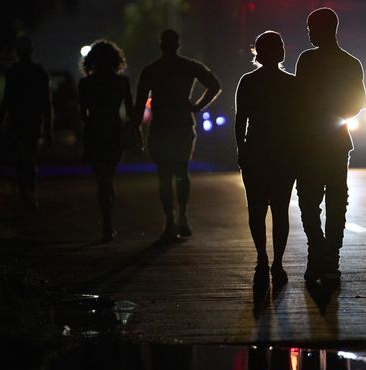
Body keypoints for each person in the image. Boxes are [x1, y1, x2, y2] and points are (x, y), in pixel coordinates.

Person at [294, 8, 366, 284]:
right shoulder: (351, 63)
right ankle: (331, 255)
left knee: (308, 198)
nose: (309, 34)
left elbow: (299, 99)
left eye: (311, 28)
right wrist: (336, 112)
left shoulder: (307, 60)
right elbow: (358, 104)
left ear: (322, 29)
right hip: (337, 140)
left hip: (309, 141)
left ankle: (317, 249)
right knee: (337, 198)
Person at [133, 29, 221, 242]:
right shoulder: (189, 66)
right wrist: (197, 106)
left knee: (164, 175)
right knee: (181, 170)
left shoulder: (151, 70)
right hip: (183, 125)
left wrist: (135, 129)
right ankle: (182, 217)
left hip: (161, 127)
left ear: (161, 45)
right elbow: (214, 85)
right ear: (178, 44)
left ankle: (170, 220)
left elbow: (139, 103)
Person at [235, 31, 296, 288]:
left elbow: (241, 120)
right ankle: (277, 263)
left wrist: (241, 150)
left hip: (256, 151)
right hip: (283, 154)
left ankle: (262, 258)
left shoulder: (248, 81)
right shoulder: (292, 83)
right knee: (280, 210)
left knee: (257, 209)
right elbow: (299, 123)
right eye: (279, 45)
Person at [78, 40, 135, 242]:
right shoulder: (122, 82)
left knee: (101, 179)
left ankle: (107, 222)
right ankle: (108, 220)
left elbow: (82, 114)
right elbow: (130, 111)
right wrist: (133, 132)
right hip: (114, 132)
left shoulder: (86, 84)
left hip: (94, 132)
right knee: (108, 176)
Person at [0, 35, 53, 210]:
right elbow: (46, 103)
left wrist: (0, 120)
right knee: (29, 157)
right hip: (31, 121)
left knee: (21, 158)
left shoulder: (13, 72)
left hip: (18, 121)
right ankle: (29, 191)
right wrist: (48, 129)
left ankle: (25, 191)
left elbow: (7, 100)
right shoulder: (38, 72)